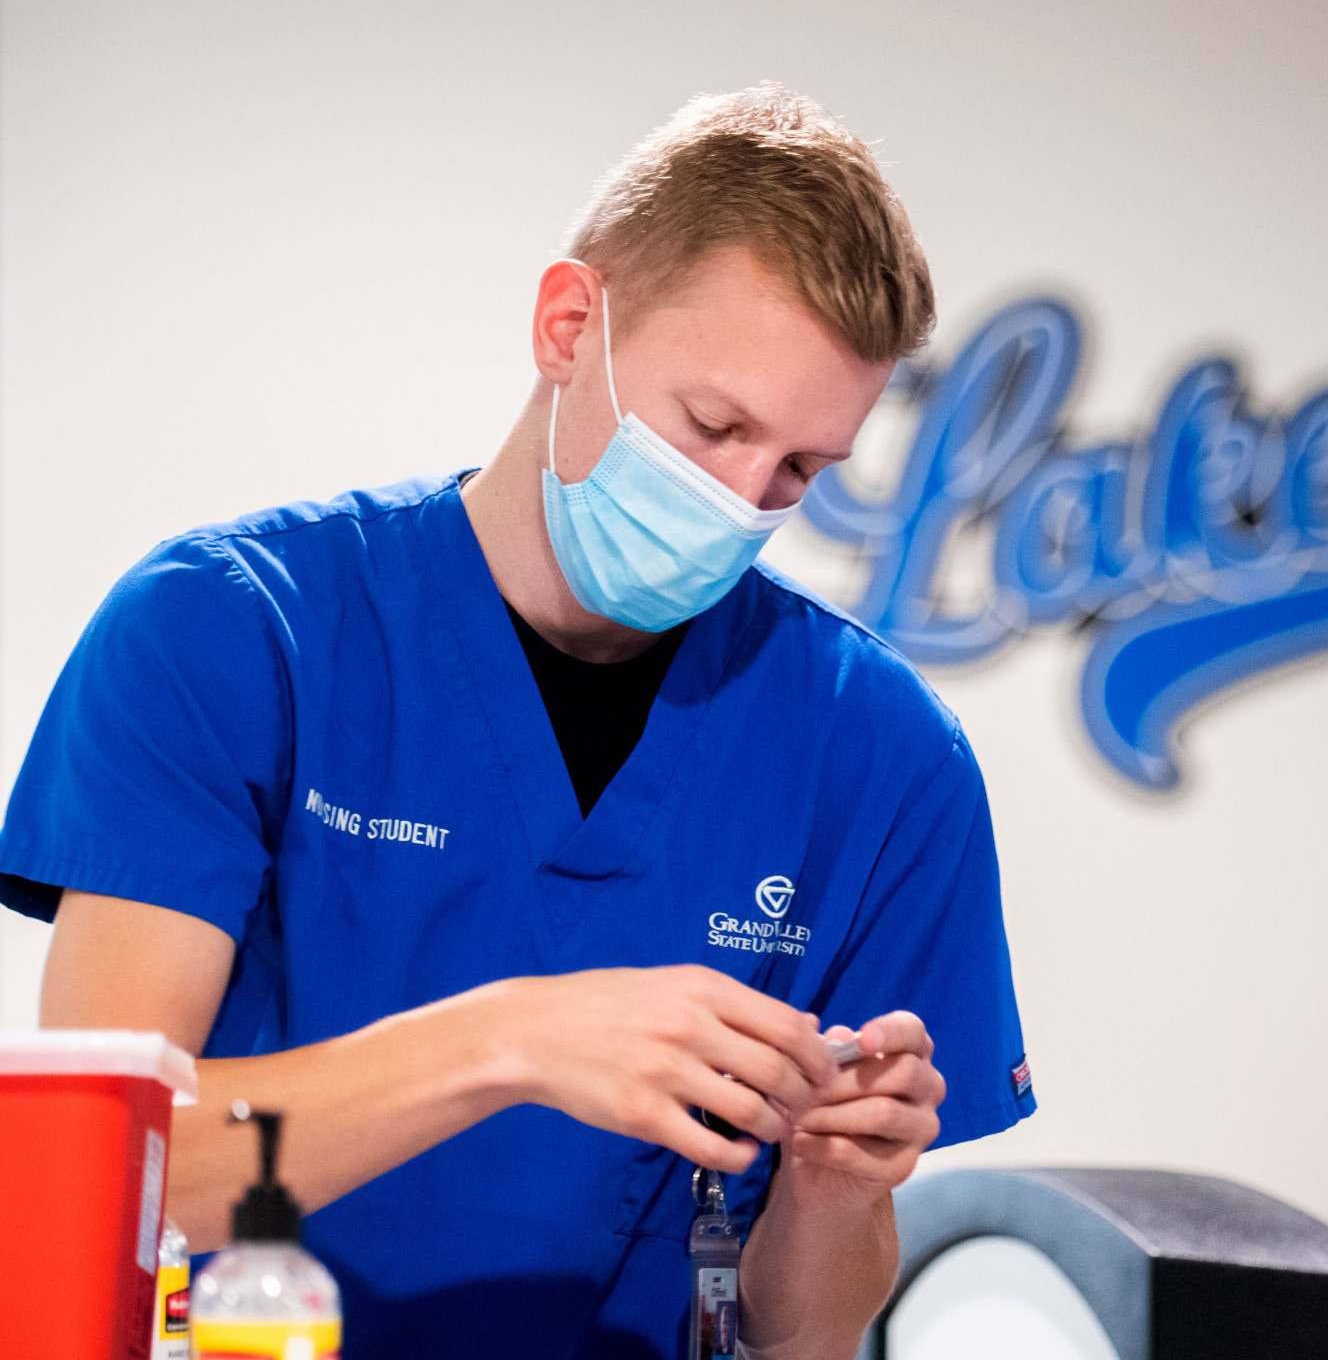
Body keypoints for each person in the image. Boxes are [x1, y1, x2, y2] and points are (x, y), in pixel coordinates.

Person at [0, 83, 1036, 1358]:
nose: (740, 502)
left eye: (799, 472)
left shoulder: (879, 757)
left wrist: (838, 1181)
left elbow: (798, 1335)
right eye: (712, 427)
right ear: (567, 324)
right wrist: (514, 1039)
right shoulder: (234, 634)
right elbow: (95, 1181)